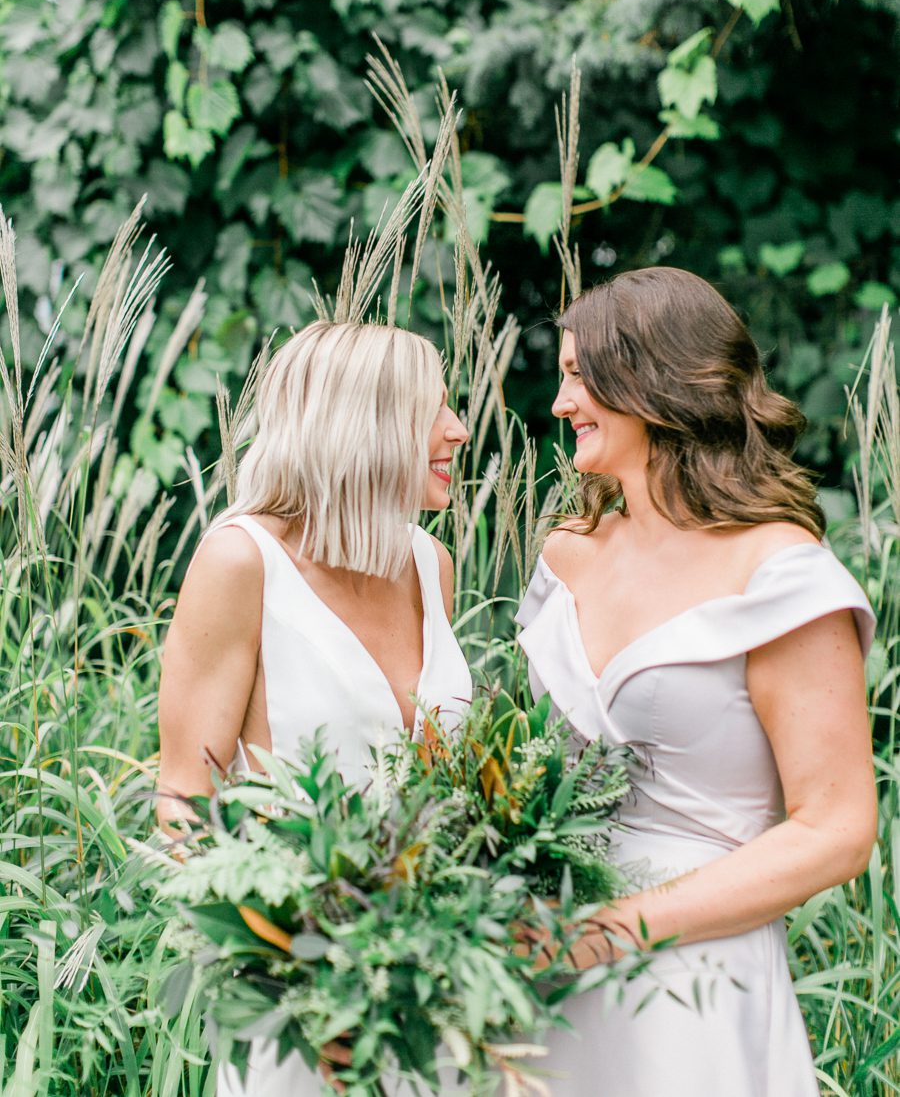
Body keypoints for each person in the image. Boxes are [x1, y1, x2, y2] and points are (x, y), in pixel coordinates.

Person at [515, 268, 876, 1097]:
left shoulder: (778, 573)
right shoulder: (568, 552)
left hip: (697, 982)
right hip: (543, 974)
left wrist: (612, 931)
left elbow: (837, 829)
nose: (561, 403)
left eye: (580, 377)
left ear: (654, 384)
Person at [157, 319, 472, 1095]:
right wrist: (293, 971)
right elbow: (182, 802)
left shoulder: (432, 565)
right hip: (304, 1002)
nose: (459, 430)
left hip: (437, 985)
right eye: (432, 411)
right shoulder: (241, 561)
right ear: (361, 426)